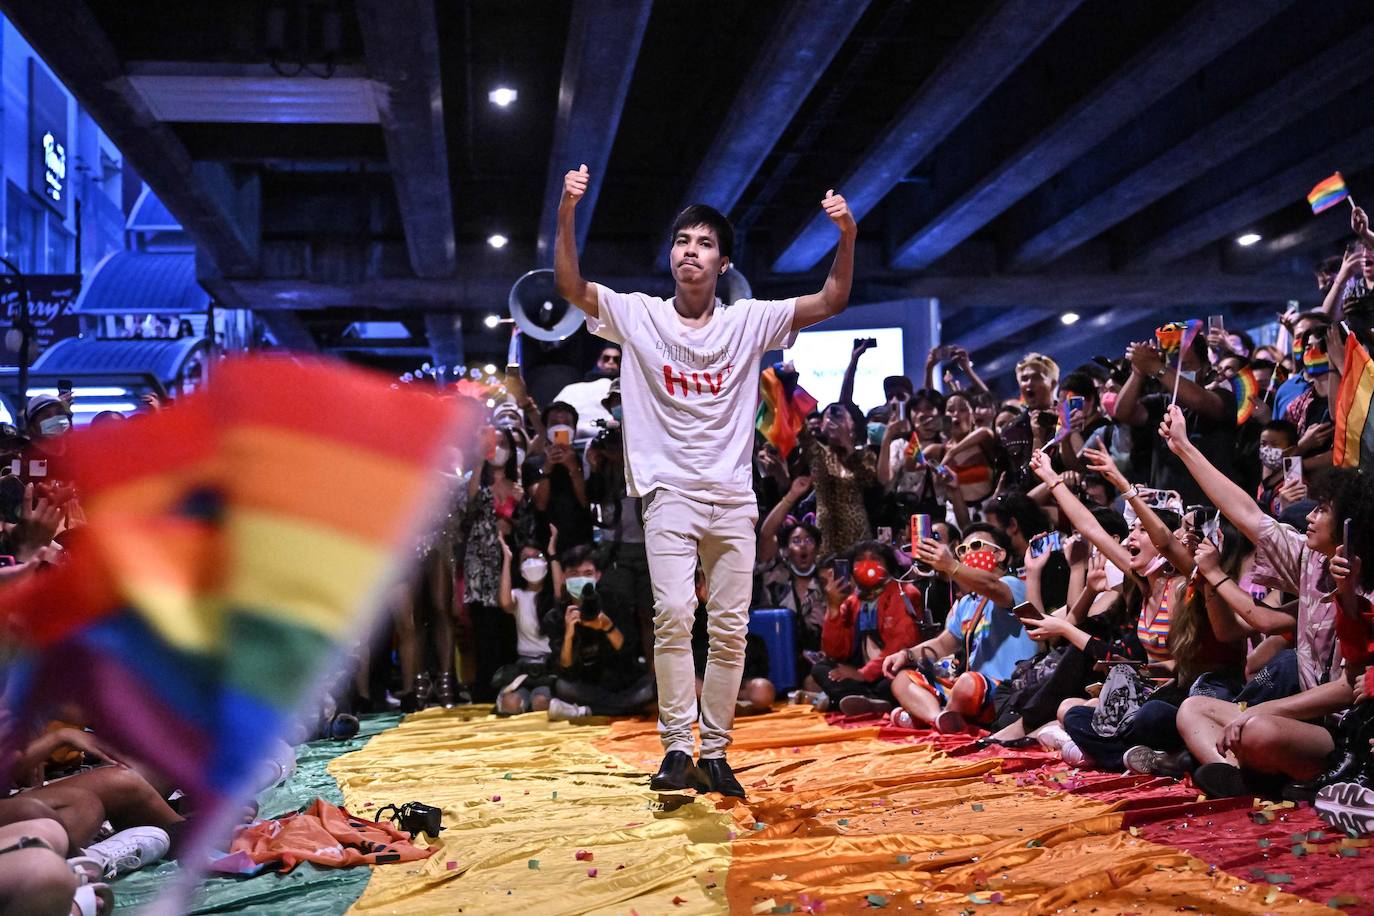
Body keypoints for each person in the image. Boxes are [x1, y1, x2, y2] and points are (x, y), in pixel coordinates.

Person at [554, 161, 856, 798]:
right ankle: (673, 748)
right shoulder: (637, 314)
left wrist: (847, 235)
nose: (690, 252)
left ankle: (715, 753)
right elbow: (571, 284)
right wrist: (566, 210)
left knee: (728, 627)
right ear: (672, 256)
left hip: (732, 497)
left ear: (722, 263)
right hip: (667, 493)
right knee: (670, 617)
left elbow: (831, 301)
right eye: (682, 242)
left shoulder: (749, 320)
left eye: (705, 244)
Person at [1159, 404, 1370, 798]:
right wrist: (1183, 446)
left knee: (1256, 728)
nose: (1308, 517)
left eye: (1321, 509)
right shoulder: (1309, 558)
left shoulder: (1366, 584)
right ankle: (1234, 775)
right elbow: (1243, 510)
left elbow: (1348, 689)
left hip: (1347, 733)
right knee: (1194, 708)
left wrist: (1262, 710)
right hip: (1303, 720)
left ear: (1350, 523)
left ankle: (1263, 770)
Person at [880, 525, 1034, 734]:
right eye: (962, 550)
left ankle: (923, 716)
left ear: (1000, 554)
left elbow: (992, 586)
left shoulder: (1012, 584)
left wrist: (951, 565)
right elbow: (944, 643)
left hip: (1005, 690)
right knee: (902, 680)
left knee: (968, 684)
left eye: (976, 546)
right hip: (966, 691)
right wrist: (906, 654)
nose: (968, 553)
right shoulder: (966, 603)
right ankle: (940, 718)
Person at [540, 545, 653, 720]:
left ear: (598, 576)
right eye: (574, 574)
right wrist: (569, 634)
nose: (581, 579)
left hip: (621, 682)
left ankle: (588, 711)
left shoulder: (615, 601)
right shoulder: (555, 616)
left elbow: (628, 651)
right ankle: (618, 709)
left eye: (587, 574)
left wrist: (607, 627)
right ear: (563, 577)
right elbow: (565, 666)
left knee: (652, 687)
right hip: (585, 684)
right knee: (561, 686)